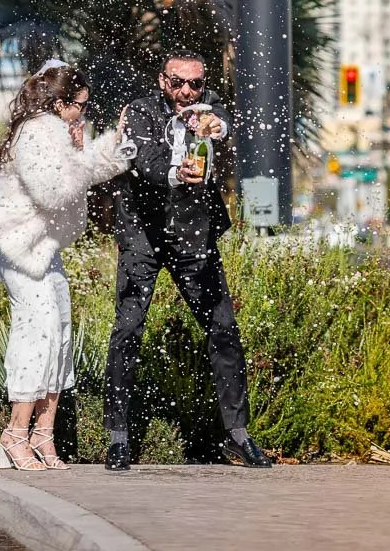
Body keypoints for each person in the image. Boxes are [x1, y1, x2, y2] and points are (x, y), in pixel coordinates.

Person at [103, 50, 271, 470]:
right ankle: (117, 438)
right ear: (163, 81)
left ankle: (238, 435)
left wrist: (214, 127)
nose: (186, 91)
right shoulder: (140, 112)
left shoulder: (208, 108)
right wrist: (180, 172)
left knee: (224, 330)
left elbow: (223, 124)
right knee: (128, 330)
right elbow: (147, 162)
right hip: (143, 234)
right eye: (178, 82)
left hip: (194, 236)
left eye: (194, 83)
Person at [0, 60, 134, 470]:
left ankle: (43, 437)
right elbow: (54, 192)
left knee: (59, 330)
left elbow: (88, 172)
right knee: (37, 329)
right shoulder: (36, 132)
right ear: (63, 103)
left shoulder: (57, 131)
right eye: (81, 106)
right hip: (18, 248)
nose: (84, 113)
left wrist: (118, 143)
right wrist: (83, 153)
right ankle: (14, 435)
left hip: (41, 248)